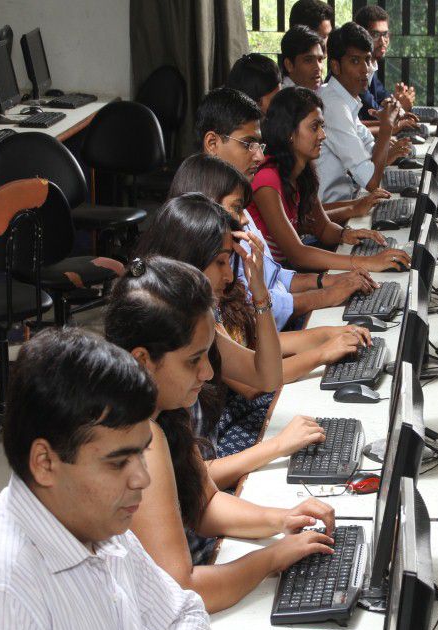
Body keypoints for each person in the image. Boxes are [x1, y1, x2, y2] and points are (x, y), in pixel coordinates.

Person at [0, 327, 247, 630]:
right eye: (118, 462)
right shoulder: (0, 597)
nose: (142, 478)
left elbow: (179, 616)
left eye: (141, 453)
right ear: (45, 462)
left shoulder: (97, 527)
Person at [105, 256, 337, 614]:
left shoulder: (163, 407)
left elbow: (205, 502)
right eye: (193, 360)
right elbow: (182, 590)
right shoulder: (137, 439)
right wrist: (272, 557)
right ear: (143, 360)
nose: (208, 372)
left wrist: (282, 518)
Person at [136, 192, 350, 478]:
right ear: (190, 258)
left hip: (209, 458)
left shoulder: (202, 316)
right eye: (220, 263)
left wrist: (260, 293)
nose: (228, 276)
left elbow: (267, 376)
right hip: (208, 466)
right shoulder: (165, 332)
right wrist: (278, 446)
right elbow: (195, 480)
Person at [170, 153, 376, 329]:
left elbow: (275, 276)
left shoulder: (237, 221)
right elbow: (254, 334)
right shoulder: (213, 275)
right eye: (247, 144)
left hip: (281, 324)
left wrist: (325, 281)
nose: (258, 155)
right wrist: (327, 296)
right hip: (278, 326)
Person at [252, 86, 411, 272]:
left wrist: (346, 234)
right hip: (272, 277)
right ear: (289, 133)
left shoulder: (304, 171)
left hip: (286, 272)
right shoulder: (267, 181)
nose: (323, 135)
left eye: (322, 126)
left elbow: (323, 229)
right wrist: (367, 262)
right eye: (314, 127)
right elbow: (298, 255)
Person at [314, 22, 412, 202]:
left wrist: (390, 149)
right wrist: (386, 127)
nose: (365, 69)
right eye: (355, 61)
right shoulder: (333, 105)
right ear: (335, 66)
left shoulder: (344, 98)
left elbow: (370, 154)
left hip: (348, 200)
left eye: (367, 60)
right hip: (332, 211)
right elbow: (371, 182)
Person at [353, 4, 415, 116]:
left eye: (385, 34)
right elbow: (373, 114)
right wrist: (400, 107)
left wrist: (397, 100)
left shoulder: (372, 66)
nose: (382, 41)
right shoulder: (354, 69)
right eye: (375, 34)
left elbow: (383, 99)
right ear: (361, 35)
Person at [281, 24, 325, 91]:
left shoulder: (319, 92)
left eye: (320, 59)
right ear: (289, 65)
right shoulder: (283, 96)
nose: (318, 67)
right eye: (308, 60)